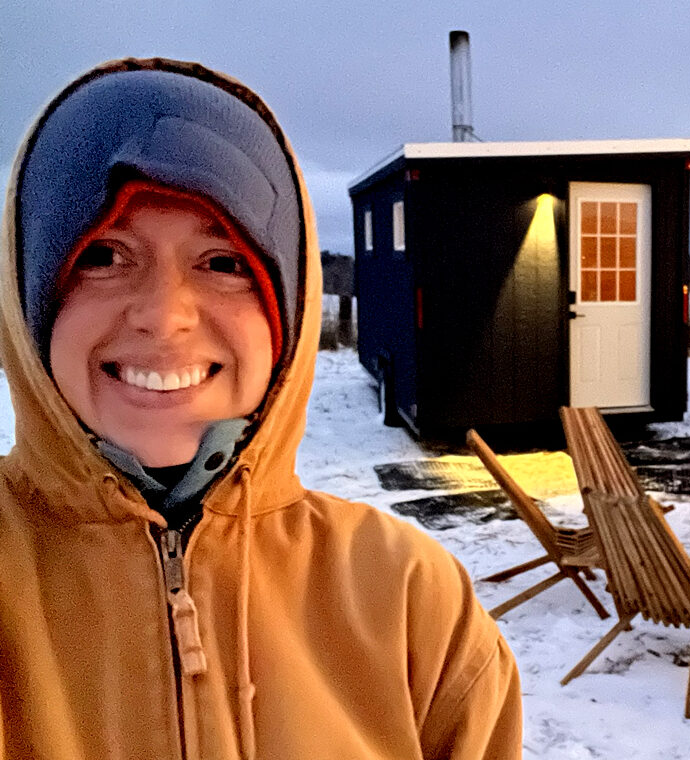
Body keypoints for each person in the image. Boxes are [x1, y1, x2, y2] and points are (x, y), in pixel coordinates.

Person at [0, 58, 522, 758]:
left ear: (291, 307)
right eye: (104, 254)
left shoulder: (411, 604)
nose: (163, 315)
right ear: (29, 298)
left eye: (223, 262)